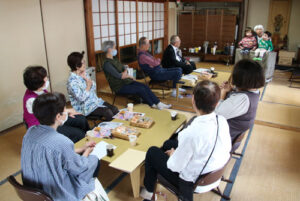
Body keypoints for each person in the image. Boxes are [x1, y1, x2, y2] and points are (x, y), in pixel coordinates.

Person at [140, 80, 232, 201]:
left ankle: (148, 191)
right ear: (216, 104)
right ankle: (153, 177)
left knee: (152, 152)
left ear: (193, 100)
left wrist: (173, 155)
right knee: (168, 143)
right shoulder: (222, 120)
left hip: (194, 182)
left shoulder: (191, 133)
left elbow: (174, 166)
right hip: (214, 174)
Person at [21, 92, 108, 201]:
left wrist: (80, 149)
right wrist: (88, 151)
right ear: (58, 116)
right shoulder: (62, 141)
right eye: (64, 110)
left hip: (33, 190)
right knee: (94, 160)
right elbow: (80, 167)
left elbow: (52, 154)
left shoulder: (29, 132)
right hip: (55, 192)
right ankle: (86, 195)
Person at [23, 66, 89, 143]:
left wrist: (66, 112)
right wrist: (64, 114)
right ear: (39, 83)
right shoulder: (31, 101)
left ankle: (91, 138)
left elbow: (51, 107)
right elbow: (47, 118)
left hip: (53, 117)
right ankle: (81, 149)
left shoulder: (40, 90)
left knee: (81, 120)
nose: (47, 79)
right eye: (45, 77)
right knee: (78, 134)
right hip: (44, 127)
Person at [102, 41, 171, 110]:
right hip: (119, 86)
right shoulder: (107, 64)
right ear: (109, 49)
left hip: (126, 81)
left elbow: (123, 69)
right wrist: (128, 73)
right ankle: (152, 104)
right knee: (141, 89)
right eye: (114, 48)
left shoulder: (115, 59)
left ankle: (158, 103)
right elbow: (120, 76)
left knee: (144, 86)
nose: (115, 49)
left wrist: (126, 70)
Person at [215, 59, 265, 145]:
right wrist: (230, 90)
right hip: (232, 135)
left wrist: (223, 92)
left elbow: (216, 113)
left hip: (223, 140)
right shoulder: (253, 92)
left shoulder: (243, 98)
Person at [67, 51, 119, 121]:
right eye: (83, 63)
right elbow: (81, 98)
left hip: (95, 102)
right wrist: (88, 86)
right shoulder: (72, 82)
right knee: (108, 112)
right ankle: (111, 129)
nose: (85, 64)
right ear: (77, 67)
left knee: (115, 109)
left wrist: (87, 80)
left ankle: (119, 129)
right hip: (85, 107)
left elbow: (94, 87)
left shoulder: (84, 73)